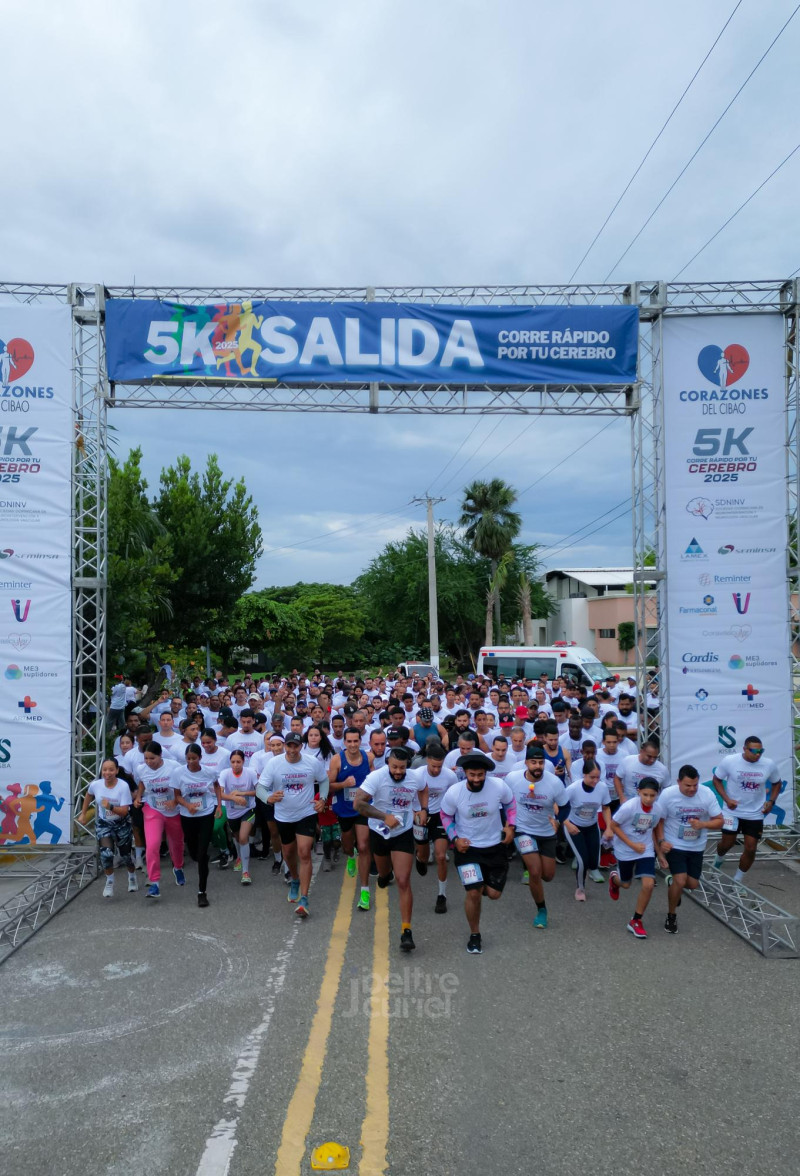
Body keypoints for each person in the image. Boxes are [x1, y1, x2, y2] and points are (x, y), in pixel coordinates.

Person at [439, 751, 516, 954]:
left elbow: (511, 803)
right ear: (465, 773)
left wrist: (511, 826)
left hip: (495, 847)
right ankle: (475, 934)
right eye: (472, 774)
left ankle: (481, 883)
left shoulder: (498, 786)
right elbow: (445, 815)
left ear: (486, 774)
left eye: (480, 775)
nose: (476, 779)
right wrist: (454, 838)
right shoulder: (454, 792)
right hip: (468, 848)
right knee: (473, 893)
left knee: (494, 894)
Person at [355, 747, 427, 951]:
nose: (398, 771)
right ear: (388, 763)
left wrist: (423, 808)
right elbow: (358, 804)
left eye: (402, 768)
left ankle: (406, 931)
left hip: (403, 832)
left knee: (404, 880)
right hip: (379, 832)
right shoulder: (376, 777)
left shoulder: (415, 777)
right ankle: (384, 875)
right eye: (394, 767)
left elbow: (423, 788)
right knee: (384, 873)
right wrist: (383, 817)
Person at [256, 731, 328, 917]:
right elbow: (260, 788)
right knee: (288, 853)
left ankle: (304, 899)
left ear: (301, 746)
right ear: (285, 746)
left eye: (296, 746)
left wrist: (323, 799)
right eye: (289, 746)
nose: (292, 749)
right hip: (284, 816)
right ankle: (295, 879)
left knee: (304, 852)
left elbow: (324, 780)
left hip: (306, 813)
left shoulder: (312, 763)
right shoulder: (274, 764)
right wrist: (269, 798)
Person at [655, 765, 724, 934]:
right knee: (680, 880)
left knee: (692, 884)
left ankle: (673, 886)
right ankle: (671, 916)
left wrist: (703, 824)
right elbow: (659, 821)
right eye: (687, 785)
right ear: (678, 782)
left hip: (696, 845)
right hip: (675, 844)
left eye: (695, 785)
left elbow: (720, 821)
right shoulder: (668, 795)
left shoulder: (706, 793)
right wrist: (662, 841)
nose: (692, 789)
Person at [505, 744, 567, 929]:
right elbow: (505, 802)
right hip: (523, 830)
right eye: (533, 762)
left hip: (547, 833)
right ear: (526, 763)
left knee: (547, 875)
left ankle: (539, 895)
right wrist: (508, 825)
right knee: (534, 871)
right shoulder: (513, 779)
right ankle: (541, 910)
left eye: (540, 762)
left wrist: (558, 821)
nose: (537, 766)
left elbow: (565, 807)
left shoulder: (554, 782)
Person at [711, 736, 782, 887]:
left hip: (755, 813)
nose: (758, 754)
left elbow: (777, 783)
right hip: (732, 811)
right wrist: (726, 799)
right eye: (754, 751)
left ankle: (737, 882)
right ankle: (719, 858)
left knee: (750, 849)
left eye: (761, 751)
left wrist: (771, 801)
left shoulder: (768, 764)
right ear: (744, 749)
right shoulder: (730, 761)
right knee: (727, 844)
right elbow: (716, 780)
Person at [607, 777, 661, 939]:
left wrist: (660, 854)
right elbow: (614, 826)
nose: (649, 799)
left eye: (652, 795)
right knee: (625, 884)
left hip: (645, 849)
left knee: (648, 884)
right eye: (645, 795)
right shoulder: (629, 807)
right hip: (625, 849)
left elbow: (653, 829)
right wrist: (631, 845)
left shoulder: (657, 810)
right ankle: (614, 880)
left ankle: (636, 921)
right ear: (638, 792)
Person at [133, 740, 185, 900]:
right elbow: (142, 782)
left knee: (176, 844)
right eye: (146, 759)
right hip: (153, 808)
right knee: (153, 844)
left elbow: (184, 787)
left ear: (160, 755)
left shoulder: (174, 767)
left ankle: (178, 867)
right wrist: (139, 796)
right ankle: (154, 882)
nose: (148, 762)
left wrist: (175, 801)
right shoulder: (141, 769)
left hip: (173, 811)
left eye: (152, 759)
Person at [78, 758, 137, 898]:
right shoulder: (96, 785)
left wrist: (110, 806)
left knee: (126, 855)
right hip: (104, 824)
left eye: (111, 770)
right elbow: (89, 795)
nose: (107, 773)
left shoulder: (123, 786)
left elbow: (124, 811)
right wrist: (83, 813)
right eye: (105, 770)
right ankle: (109, 882)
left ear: (117, 771)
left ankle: (132, 876)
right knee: (106, 853)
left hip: (121, 823)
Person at [329, 727, 373, 910]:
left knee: (363, 845)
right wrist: (344, 784)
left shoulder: (368, 757)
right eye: (350, 741)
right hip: (344, 809)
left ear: (360, 741)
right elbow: (329, 787)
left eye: (356, 741)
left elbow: (374, 779)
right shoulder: (337, 759)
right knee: (349, 846)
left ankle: (364, 891)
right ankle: (350, 856)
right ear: (345, 742)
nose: (353, 745)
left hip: (361, 809)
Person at [173, 743, 222, 907]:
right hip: (187, 816)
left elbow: (216, 786)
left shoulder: (209, 771)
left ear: (200, 758)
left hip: (206, 813)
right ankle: (200, 856)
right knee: (193, 852)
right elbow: (177, 796)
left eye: (194, 758)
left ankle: (202, 892)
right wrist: (188, 806)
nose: (191, 761)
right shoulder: (178, 773)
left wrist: (219, 806)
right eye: (188, 759)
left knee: (201, 856)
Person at [413, 740, 457, 913]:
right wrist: (416, 811)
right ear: (427, 761)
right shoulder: (417, 774)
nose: (437, 770)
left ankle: (442, 895)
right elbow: (409, 795)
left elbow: (454, 798)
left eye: (440, 766)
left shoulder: (450, 776)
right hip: (421, 816)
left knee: (440, 856)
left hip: (440, 816)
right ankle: (420, 858)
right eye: (433, 766)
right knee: (424, 857)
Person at [561, 760, 613, 901]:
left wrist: (608, 827)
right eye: (592, 777)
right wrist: (567, 823)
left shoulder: (602, 788)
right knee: (582, 860)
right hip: (574, 827)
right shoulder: (573, 789)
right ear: (584, 775)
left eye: (598, 777)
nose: (595, 781)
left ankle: (588, 871)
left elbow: (606, 808)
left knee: (593, 862)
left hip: (591, 826)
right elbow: (557, 806)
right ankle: (580, 888)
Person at [218, 750, 258, 885]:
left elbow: (259, 791)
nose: (235, 765)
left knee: (243, 837)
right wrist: (233, 798)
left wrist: (242, 793)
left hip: (248, 809)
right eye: (233, 762)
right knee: (236, 837)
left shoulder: (250, 773)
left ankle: (245, 872)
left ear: (243, 762)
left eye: (238, 762)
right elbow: (220, 793)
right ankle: (239, 857)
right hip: (232, 812)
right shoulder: (225, 774)